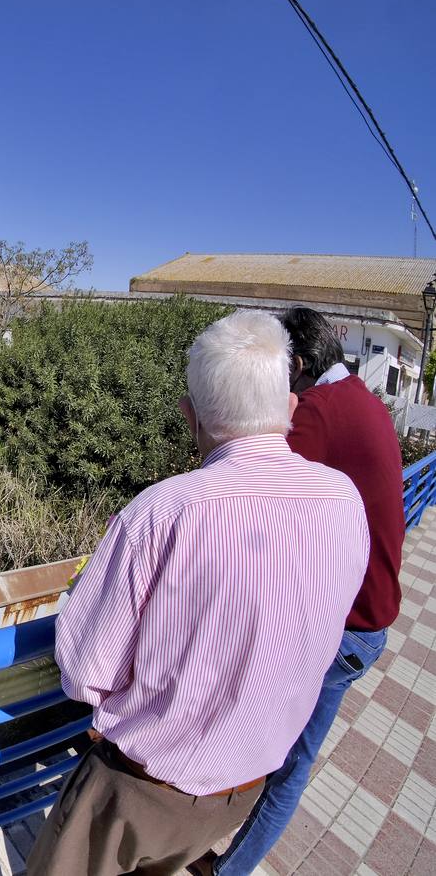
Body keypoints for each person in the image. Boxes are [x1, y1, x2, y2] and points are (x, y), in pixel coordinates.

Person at [26, 310, 370, 876]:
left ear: (190, 416)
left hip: (138, 788)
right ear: (290, 408)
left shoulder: (163, 512)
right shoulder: (342, 502)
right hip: (241, 791)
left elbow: (85, 670)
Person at [201, 307, 404, 875]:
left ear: (300, 368)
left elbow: (249, 487)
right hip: (369, 619)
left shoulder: (317, 411)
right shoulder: (361, 399)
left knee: (278, 759)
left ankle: (221, 866)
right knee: (287, 756)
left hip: (346, 627)